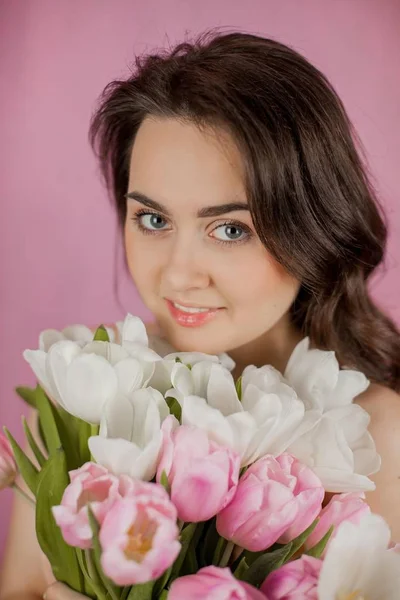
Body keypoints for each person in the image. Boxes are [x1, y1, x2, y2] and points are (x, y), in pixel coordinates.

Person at [1, 28, 400, 600]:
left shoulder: (382, 440)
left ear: (314, 228)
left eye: (230, 229)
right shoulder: (78, 402)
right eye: (154, 220)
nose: (178, 274)